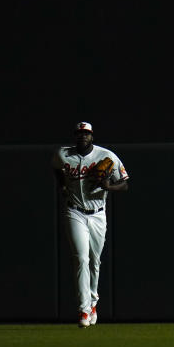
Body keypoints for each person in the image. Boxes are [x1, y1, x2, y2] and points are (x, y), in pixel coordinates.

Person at [52, 121, 129, 327]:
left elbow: (125, 184)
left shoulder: (107, 156)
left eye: (86, 133)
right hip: (74, 211)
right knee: (81, 259)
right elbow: (56, 169)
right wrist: (62, 187)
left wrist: (109, 186)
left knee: (95, 261)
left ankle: (93, 302)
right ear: (75, 136)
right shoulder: (63, 155)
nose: (82, 136)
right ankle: (84, 311)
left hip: (97, 214)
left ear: (92, 136)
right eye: (79, 133)